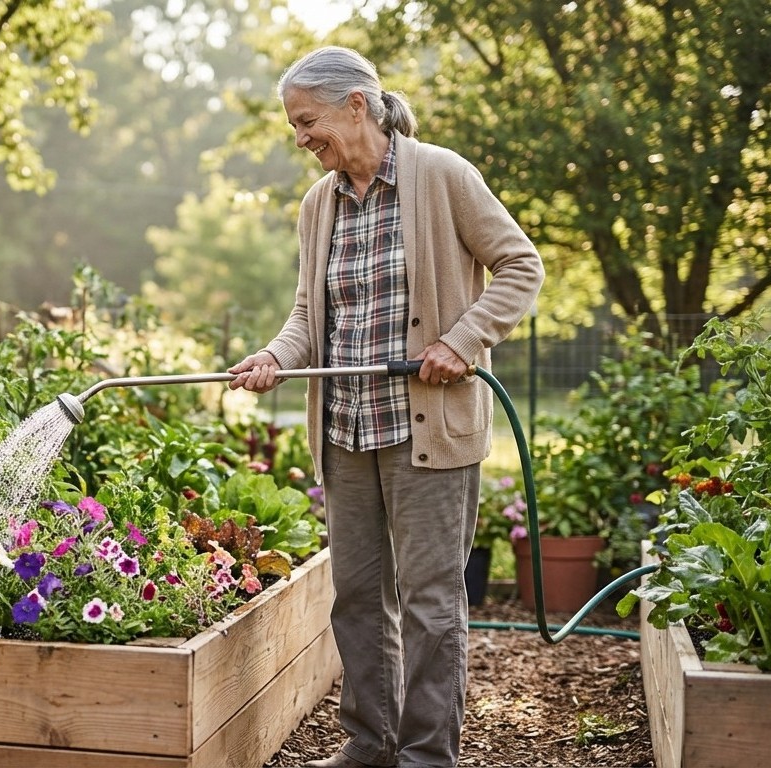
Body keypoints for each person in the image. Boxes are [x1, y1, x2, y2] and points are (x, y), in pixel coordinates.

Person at [228, 46, 544, 768]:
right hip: (346, 428)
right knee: (358, 596)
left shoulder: (440, 175)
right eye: (294, 126)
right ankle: (370, 744)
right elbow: (309, 312)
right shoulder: (318, 204)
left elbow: (520, 265)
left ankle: (427, 756)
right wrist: (276, 355)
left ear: (356, 106)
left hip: (425, 429)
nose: (301, 137)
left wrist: (463, 340)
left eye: (308, 121)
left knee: (431, 603)